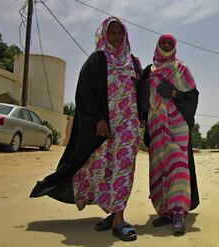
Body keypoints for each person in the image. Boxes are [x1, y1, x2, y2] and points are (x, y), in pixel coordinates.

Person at [30, 17, 142, 242]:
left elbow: (142, 91)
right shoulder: (98, 60)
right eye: (112, 33)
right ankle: (114, 213)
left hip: (129, 128)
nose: (117, 37)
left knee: (124, 170)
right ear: (104, 34)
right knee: (105, 171)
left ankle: (119, 219)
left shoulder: (133, 62)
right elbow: (84, 93)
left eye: (120, 33)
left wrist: (144, 118)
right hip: (105, 131)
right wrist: (98, 119)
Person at [138, 33, 200, 235]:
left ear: (174, 47)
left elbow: (193, 96)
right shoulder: (149, 71)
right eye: (163, 42)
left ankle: (179, 212)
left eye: (169, 43)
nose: (166, 45)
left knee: (179, 164)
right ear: (157, 45)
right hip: (156, 125)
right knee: (160, 167)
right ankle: (165, 211)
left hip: (178, 125)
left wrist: (173, 93)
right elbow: (141, 99)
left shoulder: (181, 69)